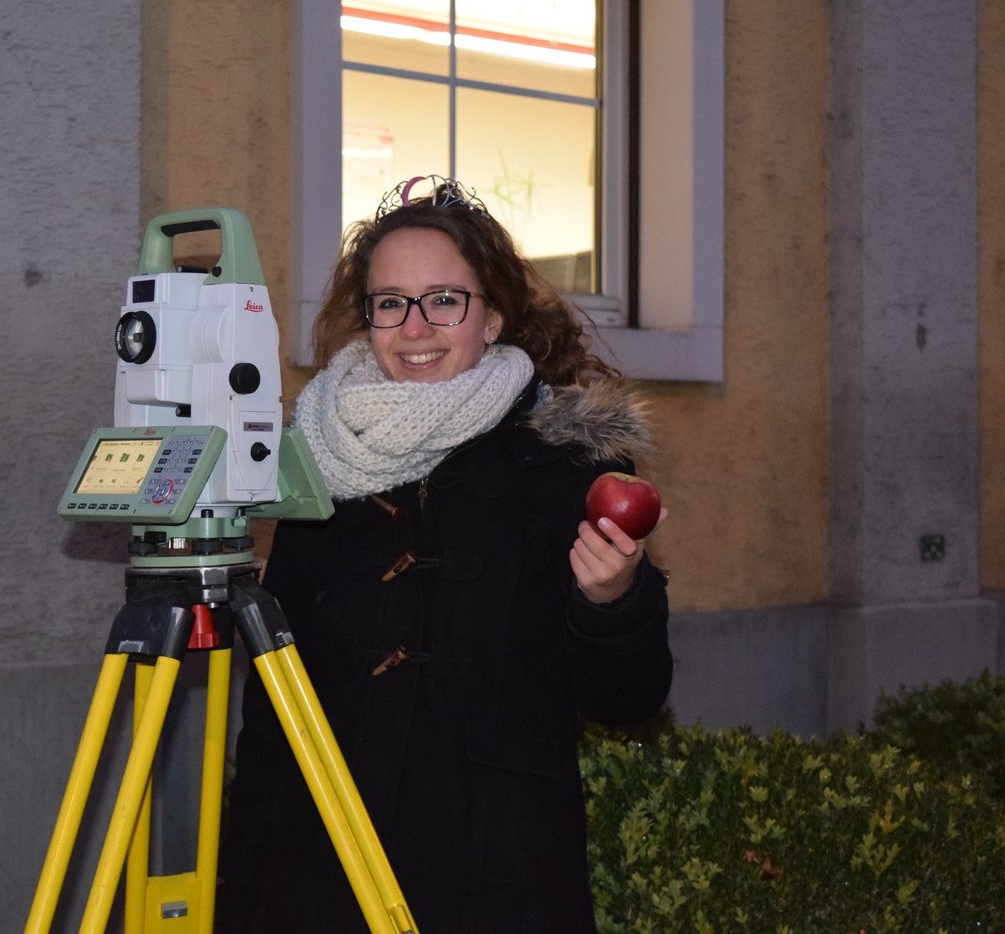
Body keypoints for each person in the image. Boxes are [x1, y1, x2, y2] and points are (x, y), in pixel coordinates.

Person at [217, 176, 673, 932]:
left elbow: (628, 699)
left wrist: (611, 602)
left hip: (495, 879)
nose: (416, 327)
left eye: (444, 300)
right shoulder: (319, 463)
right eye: (390, 302)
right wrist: (245, 894)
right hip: (319, 872)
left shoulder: (564, 472)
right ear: (368, 320)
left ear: (491, 317)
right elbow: (271, 716)